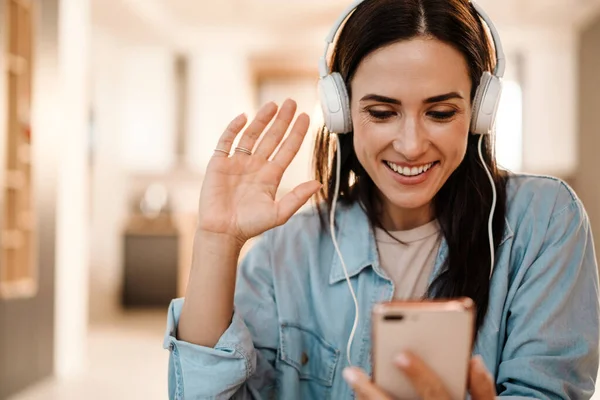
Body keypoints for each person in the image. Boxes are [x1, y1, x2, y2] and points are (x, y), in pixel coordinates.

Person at [162, 0, 600, 398]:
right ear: (343, 111)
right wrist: (217, 241)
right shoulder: (286, 252)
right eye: (382, 112)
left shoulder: (544, 220)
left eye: (441, 112)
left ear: (479, 112)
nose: (410, 145)